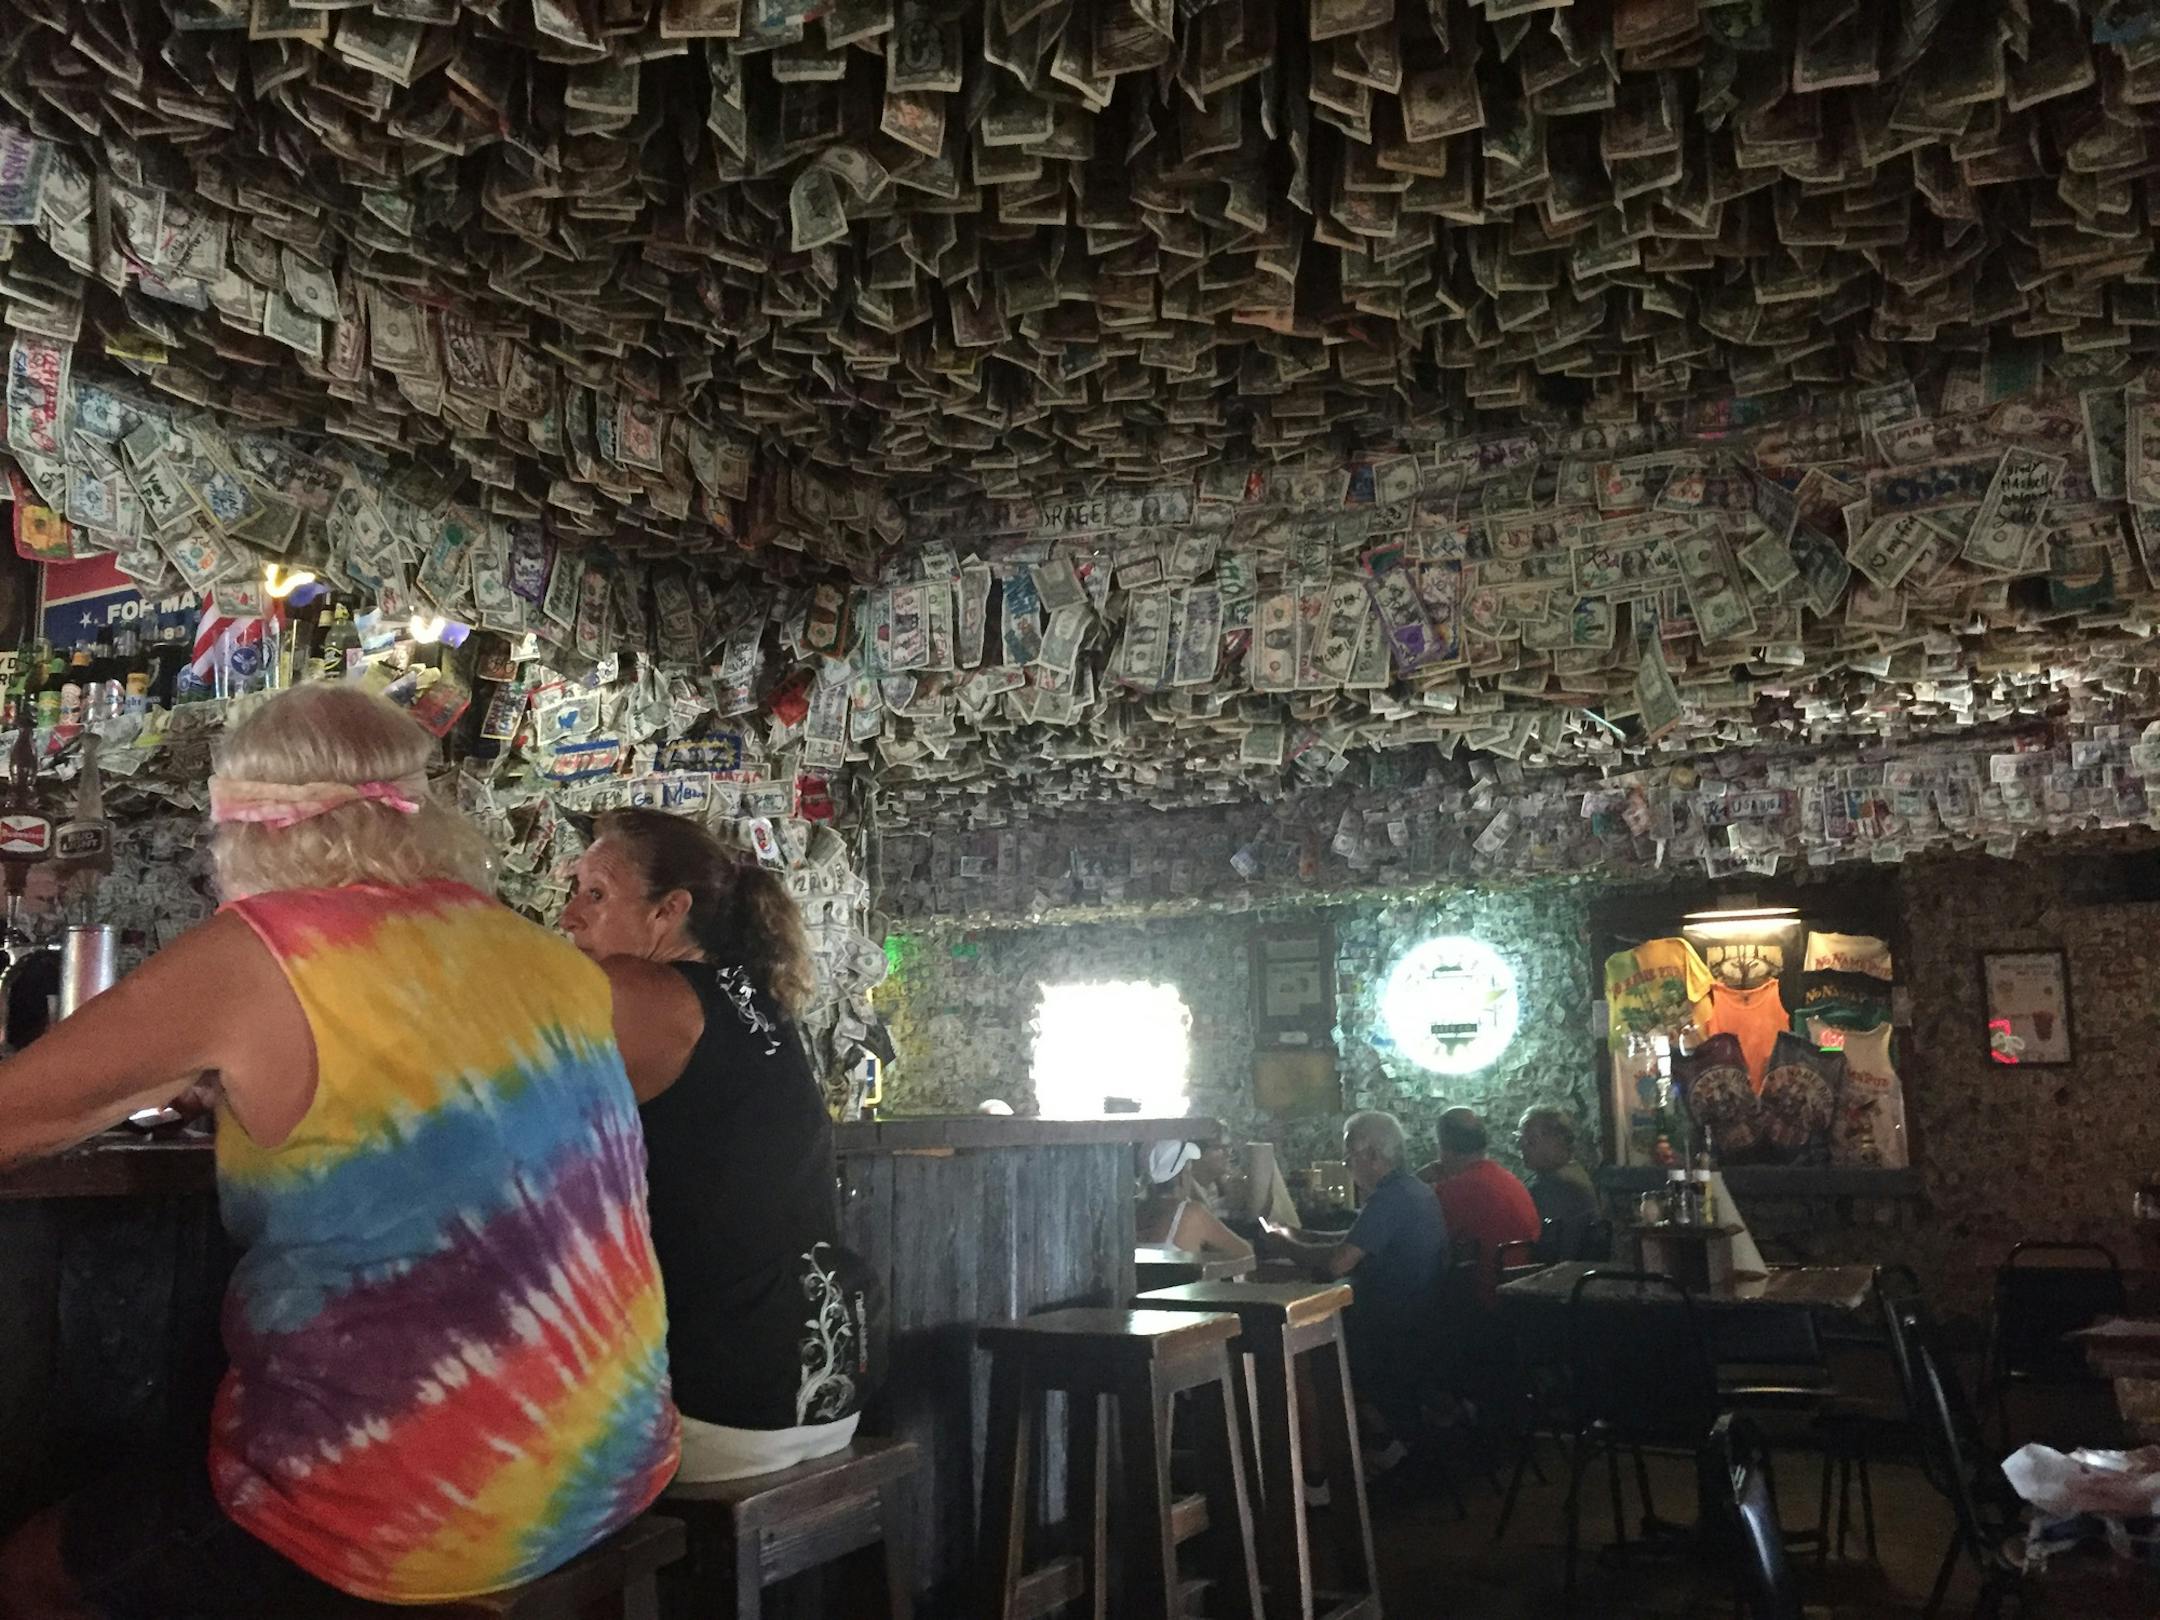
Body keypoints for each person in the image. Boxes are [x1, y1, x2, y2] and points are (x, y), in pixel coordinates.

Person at [0, 684, 679, 1617]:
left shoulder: (259, 953)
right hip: (615, 1462)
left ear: (240, 825)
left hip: (396, 1509)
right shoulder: (549, 959)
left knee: (29, 1575)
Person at [560, 808, 874, 1483]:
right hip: (827, 1392)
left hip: (718, 1408)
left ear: (668, 911)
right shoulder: (758, 1001)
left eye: (595, 894)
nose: (569, 917)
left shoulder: (635, 991)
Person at [1263, 1111, 1445, 1466]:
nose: (1347, 1166)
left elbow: (1338, 1262)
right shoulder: (1412, 1190)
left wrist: (1285, 1246)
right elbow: (1356, 1240)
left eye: (1349, 1158)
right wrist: (1302, 1235)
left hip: (1387, 1327)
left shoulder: (1390, 1198)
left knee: (1296, 1338)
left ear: (1372, 1155)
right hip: (1418, 1316)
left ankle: (1322, 1460)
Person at [1419, 1106, 1541, 1302]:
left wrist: (1417, 1181)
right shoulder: (1508, 1180)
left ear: (1444, 1148)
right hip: (1523, 1292)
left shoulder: (1456, 1190)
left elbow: (1422, 1240)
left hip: (1486, 1298)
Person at [1136, 1139, 1254, 1263]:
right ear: (1182, 1177)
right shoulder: (1191, 1213)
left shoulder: (1136, 1212)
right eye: (1189, 1171)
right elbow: (1246, 1253)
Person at [1518, 1103, 1602, 1259]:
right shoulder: (1573, 1173)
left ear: (1555, 1142)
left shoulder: (1554, 1187)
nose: (1521, 1146)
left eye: (1530, 1140)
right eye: (1520, 1139)